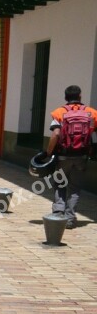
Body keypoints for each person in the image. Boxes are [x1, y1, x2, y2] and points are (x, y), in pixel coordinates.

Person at [45, 85, 97, 229]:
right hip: (82, 156)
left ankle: (58, 213)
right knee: (75, 188)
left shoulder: (59, 112)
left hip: (63, 156)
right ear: (80, 96)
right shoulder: (91, 113)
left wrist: (48, 152)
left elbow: (55, 134)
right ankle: (70, 218)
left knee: (60, 184)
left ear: (65, 97)